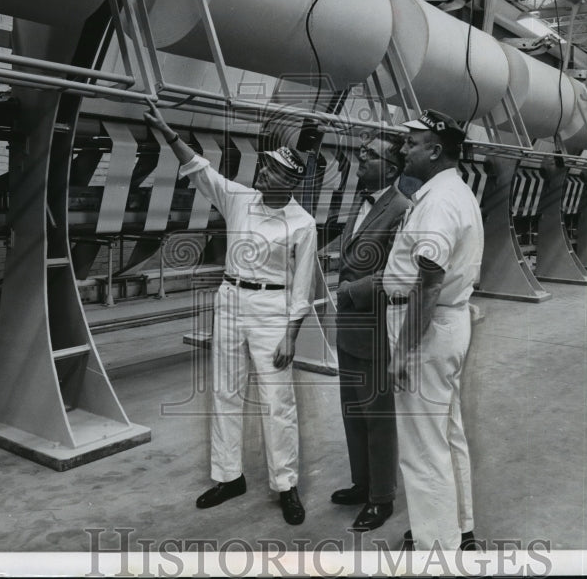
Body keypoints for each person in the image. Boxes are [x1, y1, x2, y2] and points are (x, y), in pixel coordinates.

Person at [143, 100, 318, 526]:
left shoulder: (302, 223)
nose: (260, 174)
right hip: (230, 300)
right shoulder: (241, 198)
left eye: (270, 170)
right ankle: (228, 476)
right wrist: (168, 134)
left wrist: (291, 335)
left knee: (277, 400)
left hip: (272, 310)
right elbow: (202, 171)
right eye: (263, 168)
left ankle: (286, 484)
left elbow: (302, 286)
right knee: (225, 390)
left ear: (289, 180)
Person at [339, 109, 482, 551]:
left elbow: (429, 281)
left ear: (435, 150)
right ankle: (459, 530)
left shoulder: (437, 201)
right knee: (447, 433)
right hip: (444, 323)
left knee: (423, 450)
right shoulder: (450, 191)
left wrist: (402, 353)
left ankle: (436, 550)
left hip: (426, 327)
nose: (403, 149)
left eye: (411, 143)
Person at [331, 133, 410, 533]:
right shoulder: (360, 201)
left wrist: (350, 290)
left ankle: (382, 498)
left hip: (376, 327)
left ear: (392, 168)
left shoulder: (400, 209)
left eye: (371, 154)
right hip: (349, 328)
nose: (361, 157)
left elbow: (396, 273)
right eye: (363, 150)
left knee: (378, 417)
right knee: (352, 411)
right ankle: (361, 483)